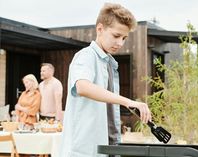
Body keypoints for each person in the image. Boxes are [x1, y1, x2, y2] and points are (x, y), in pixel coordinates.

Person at [60, 3, 152, 157]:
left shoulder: (108, 63)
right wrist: (128, 102)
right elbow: (83, 86)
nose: (120, 43)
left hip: (102, 147)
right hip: (83, 150)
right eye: (116, 36)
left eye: (124, 38)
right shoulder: (86, 56)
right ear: (100, 29)